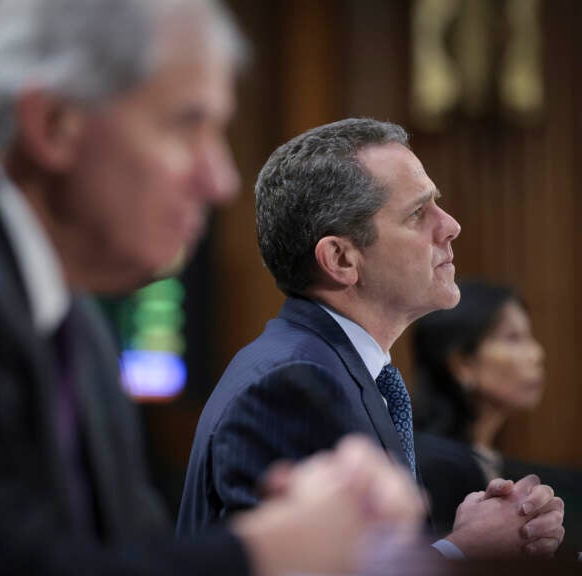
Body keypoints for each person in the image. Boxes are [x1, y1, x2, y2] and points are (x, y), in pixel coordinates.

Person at [0, 1, 433, 574]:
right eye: (188, 126)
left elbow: (115, 548)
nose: (218, 180)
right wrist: (268, 552)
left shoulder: (67, 309)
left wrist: (304, 519)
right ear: (54, 123)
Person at [177, 118, 565, 558]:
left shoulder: (333, 368)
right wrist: (462, 551)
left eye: (437, 204)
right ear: (341, 259)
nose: (451, 224)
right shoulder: (291, 387)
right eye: (419, 213)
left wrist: (474, 533)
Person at [413, 279, 582, 551]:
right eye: (513, 338)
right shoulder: (426, 467)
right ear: (462, 364)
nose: (537, 354)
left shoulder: (531, 473)